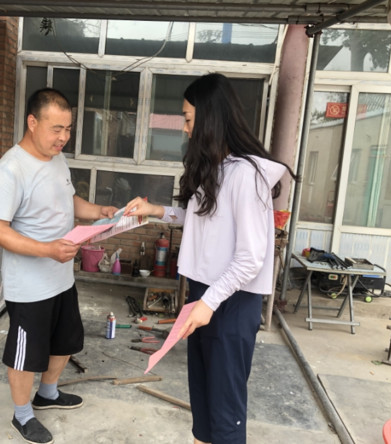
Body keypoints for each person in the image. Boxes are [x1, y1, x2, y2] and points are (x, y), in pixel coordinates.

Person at [124, 73, 295, 444]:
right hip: (205, 294)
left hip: (230, 302)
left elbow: (251, 258)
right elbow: (202, 219)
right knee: (203, 404)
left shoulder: (246, 176)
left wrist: (209, 303)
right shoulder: (216, 168)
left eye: (188, 118)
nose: (185, 128)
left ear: (210, 118)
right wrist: (156, 210)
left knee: (224, 412)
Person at [0, 88, 117, 444]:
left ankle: (48, 393)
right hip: (29, 285)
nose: (63, 137)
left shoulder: (56, 160)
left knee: (65, 339)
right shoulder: (10, 171)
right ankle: (22, 415)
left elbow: (67, 199)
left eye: (68, 129)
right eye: (56, 128)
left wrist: (99, 212)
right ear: (32, 122)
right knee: (26, 354)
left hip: (61, 276)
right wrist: (46, 249)